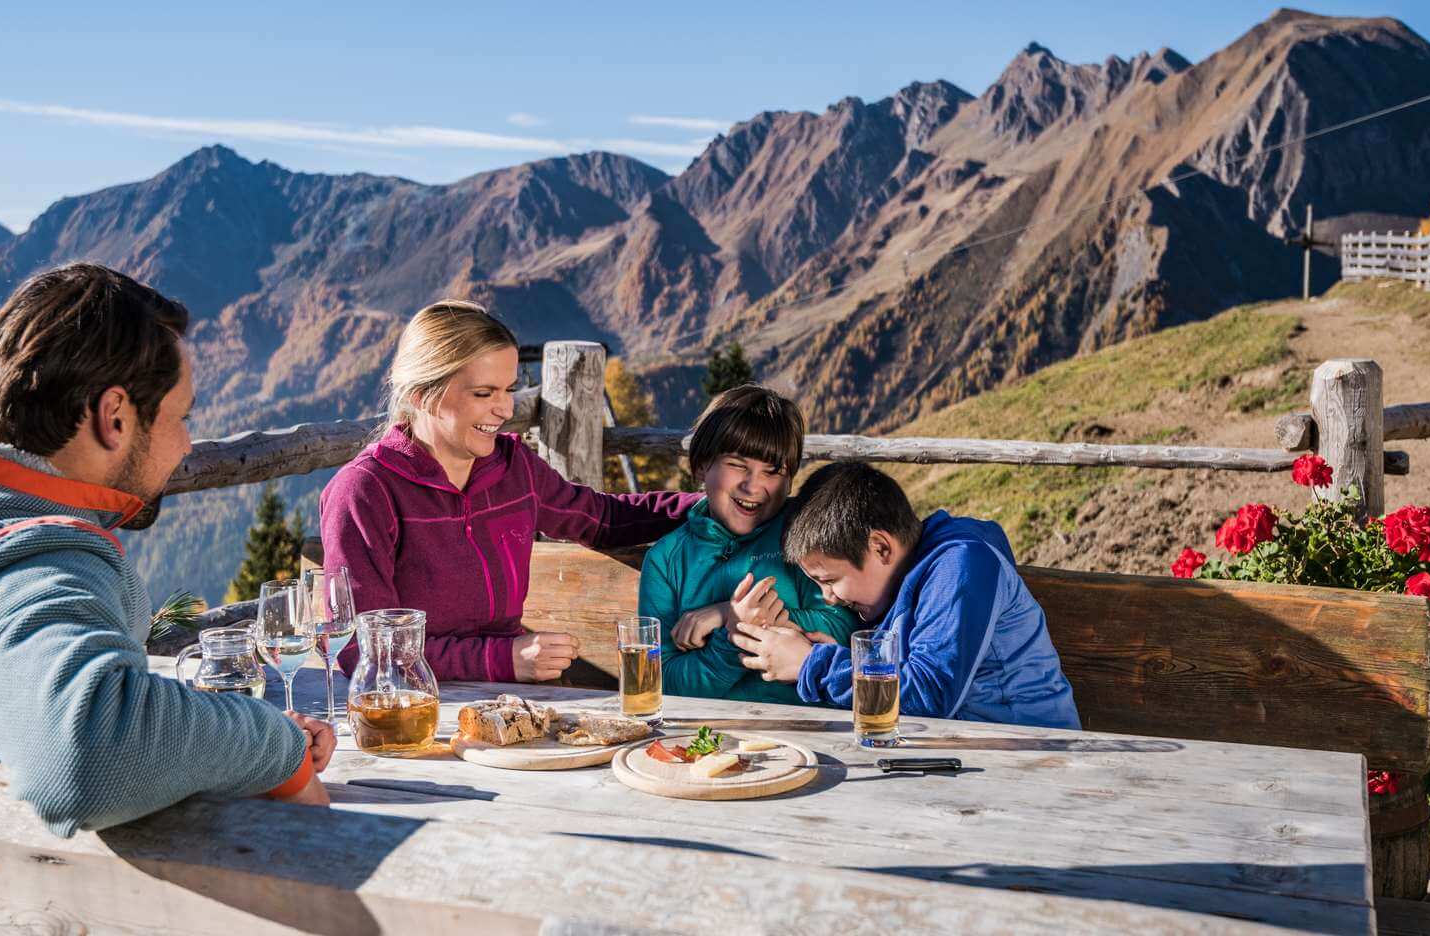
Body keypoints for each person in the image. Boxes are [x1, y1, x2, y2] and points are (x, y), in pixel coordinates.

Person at [0, 263, 334, 837]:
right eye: (181, 415)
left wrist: (224, 729)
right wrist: (276, 748)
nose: (187, 442)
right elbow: (84, 752)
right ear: (114, 416)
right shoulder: (31, 560)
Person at [320, 300, 698, 683]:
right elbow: (362, 649)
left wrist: (710, 506)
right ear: (420, 395)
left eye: (509, 390)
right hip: (411, 714)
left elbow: (603, 520)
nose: (504, 409)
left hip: (514, 701)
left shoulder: (514, 469)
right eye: (484, 393)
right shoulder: (365, 492)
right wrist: (501, 659)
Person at [731, 462, 1080, 729]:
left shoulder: (962, 565)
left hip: (1033, 753)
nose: (829, 597)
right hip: (962, 753)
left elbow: (930, 694)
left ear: (881, 547)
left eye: (830, 580)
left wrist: (811, 665)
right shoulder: (901, 580)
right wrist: (823, 654)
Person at [637, 385, 858, 702]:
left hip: (808, 729)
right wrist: (731, 640)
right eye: (738, 464)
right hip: (706, 737)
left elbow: (842, 628)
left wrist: (730, 614)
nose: (753, 486)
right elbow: (660, 679)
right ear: (701, 465)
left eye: (772, 471)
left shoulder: (805, 533)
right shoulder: (667, 559)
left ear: (790, 478)